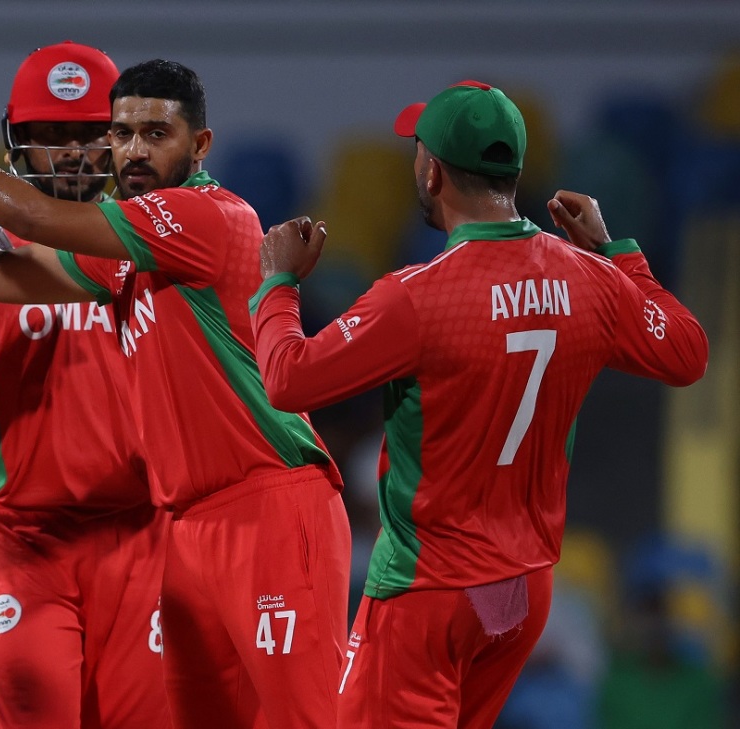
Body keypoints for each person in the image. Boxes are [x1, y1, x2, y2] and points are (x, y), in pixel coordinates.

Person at [0, 21, 350, 729]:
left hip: (258, 504)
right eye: (122, 134)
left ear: (201, 145)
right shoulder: (127, 250)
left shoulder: (199, 216)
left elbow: (27, 213)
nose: (132, 151)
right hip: (174, 524)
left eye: (155, 134)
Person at [248, 80, 709, 728]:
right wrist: (617, 255)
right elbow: (687, 353)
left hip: (429, 592)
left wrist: (278, 284)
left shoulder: (416, 296)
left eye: (418, 149)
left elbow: (287, 380)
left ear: (432, 172)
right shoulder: (592, 279)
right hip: (523, 589)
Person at [0, 42, 169, 728]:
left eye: (90, 135)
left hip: (140, 534)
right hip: (24, 540)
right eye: (53, 135)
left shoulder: (156, 243)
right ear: (17, 141)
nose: (75, 153)